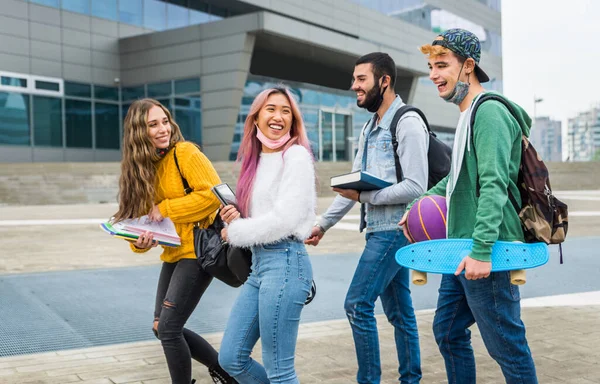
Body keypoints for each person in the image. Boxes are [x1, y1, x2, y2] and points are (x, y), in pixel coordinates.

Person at [399, 28, 538, 383]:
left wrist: (481, 251)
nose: (433, 75)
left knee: (507, 345)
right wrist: (417, 206)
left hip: (485, 251)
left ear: (468, 66)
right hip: (461, 246)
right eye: (431, 66)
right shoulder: (468, 114)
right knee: (447, 330)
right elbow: (457, 179)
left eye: (442, 65)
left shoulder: (489, 113)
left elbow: (493, 185)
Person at [305, 52, 428, 383]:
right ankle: (410, 379)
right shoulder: (370, 128)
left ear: (384, 81)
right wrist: (323, 224)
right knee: (401, 313)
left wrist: (367, 197)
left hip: (396, 231)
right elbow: (352, 185)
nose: (354, 85)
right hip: (378, 231)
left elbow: (417, 185)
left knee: (357, 304)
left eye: (361, 79)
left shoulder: (408, 123)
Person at [113, 98, 235, 384]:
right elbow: (143, 220)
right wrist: (140, 243)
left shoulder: (185, 153)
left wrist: (165, 208)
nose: (162, 129)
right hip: (173, 252)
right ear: (138, 133)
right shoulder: (142, 170)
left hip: (198, 250)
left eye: (164, 121)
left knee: (168, 328)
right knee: (161, 327)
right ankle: (228, 374)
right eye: (152, 125)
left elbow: (210, 195)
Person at [217, 86, 316, 384]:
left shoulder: (296, 156)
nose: (278, 116)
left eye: (286, 111)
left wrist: (235, 231)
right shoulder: (255, 163)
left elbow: (284, 220)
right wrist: (237, 217)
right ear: (256, 117)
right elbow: (263, 219)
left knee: (280, 371)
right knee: (231, 358)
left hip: (286, 262)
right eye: (271, 109)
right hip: (260, 267)